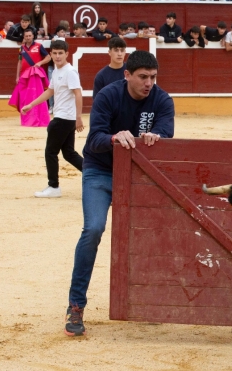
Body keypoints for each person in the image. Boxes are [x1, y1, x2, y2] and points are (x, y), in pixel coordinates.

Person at [63, 51, 175, 337]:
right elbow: (95, 139)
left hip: (138, 176)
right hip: (101, 171)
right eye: (142, 77)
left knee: (153, 231)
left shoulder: (162, 99)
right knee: (94, 228)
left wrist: (157, 137)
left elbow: (167, 132)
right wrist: (114, 137)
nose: (149, 83)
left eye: (153, 77)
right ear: (127, 75)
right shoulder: (108, 95)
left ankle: (150, 301)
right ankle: (76, 304)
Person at [20, 39, 83, 198]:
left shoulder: (70, 72)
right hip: (64, 117)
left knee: (50, 152)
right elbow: (50, 91)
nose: (57, 56)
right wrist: (31, 105)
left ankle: (53, 186)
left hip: (63, 118)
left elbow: (78, 94)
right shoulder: (56, 71)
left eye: (60, 53)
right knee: (68, 153)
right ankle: (97, 173)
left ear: (67, 54)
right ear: (51, 54)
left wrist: (79, 117)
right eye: (54, 53)